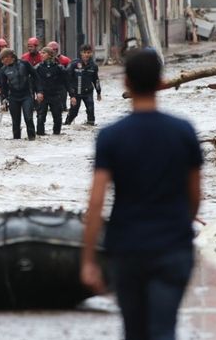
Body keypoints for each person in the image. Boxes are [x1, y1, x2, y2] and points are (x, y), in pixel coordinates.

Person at [81, 48, 202, 340]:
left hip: (127, 248)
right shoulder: (184, 131)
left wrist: (88, 260)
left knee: (133, 331)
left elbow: (96, 202)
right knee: (164, 328)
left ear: (126, 83)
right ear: (161, 82)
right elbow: (196, 196)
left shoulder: (111, 136)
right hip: (173, 247)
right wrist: (178, 227)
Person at [0, 48, 41, 140]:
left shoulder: (24, 64)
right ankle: (17, 140)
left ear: (10, 56)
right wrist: (3, 100)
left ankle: (32, 138)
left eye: (3, 59)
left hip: (27, 95)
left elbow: (36, 77)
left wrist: (39, 92)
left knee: (28, 117)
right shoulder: (3, 70)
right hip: (13, 97)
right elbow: (3, 87)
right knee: (15, 121)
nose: (2, 61)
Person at [65, 44, 102, 126]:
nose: (86, 55)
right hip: (76, 92)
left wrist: (99, 92)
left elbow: (96, 80)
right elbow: (67, 79)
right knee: (74, 111)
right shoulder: (74, 64)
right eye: (84, 52)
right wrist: (71, 95)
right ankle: (67, 123)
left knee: (90, 109)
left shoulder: (93, 66)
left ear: (91, 53)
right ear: (81, 53)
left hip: (88, 92)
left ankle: (90, 124)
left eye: (88, 52)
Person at [34, 47, 67, 136]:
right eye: (41, 53)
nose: (41, 54)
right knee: (40, 116)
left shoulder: (59, 68)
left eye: (44, 53)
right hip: (43, 95)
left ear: (49, 55)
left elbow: (66, 81)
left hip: (55, 95)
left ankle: (56, 133)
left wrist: (72, 95)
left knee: (57, 116)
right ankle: (40, 133)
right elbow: (34, 82)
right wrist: (37, 93)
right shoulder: (38, 67)